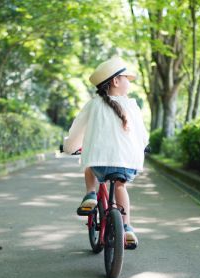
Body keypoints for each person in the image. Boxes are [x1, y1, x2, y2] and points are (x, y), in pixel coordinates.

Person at [63, 56, 149, 248]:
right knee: (120, 187)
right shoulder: (133, 106)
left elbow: (77, 131)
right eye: (126, 77)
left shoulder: (93, 105)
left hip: (99, 162)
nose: (129, 82)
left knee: (89, 163)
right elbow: (143, 136)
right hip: (127, 162)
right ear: (116, 81)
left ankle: (91, 195)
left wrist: (69, 148)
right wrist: (142, 146)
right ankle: (126, 229)